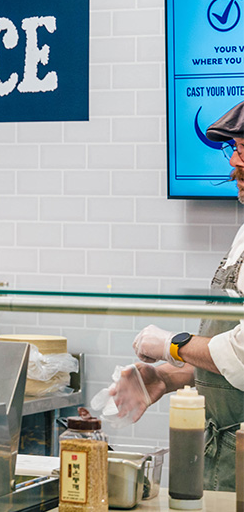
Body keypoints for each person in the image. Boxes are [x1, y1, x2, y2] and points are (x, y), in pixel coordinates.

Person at [116, 100, 244, 491]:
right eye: (233, 150)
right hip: (223, 449)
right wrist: (166, 377)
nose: (233, 164)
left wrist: (173, 344)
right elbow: (229, 360)